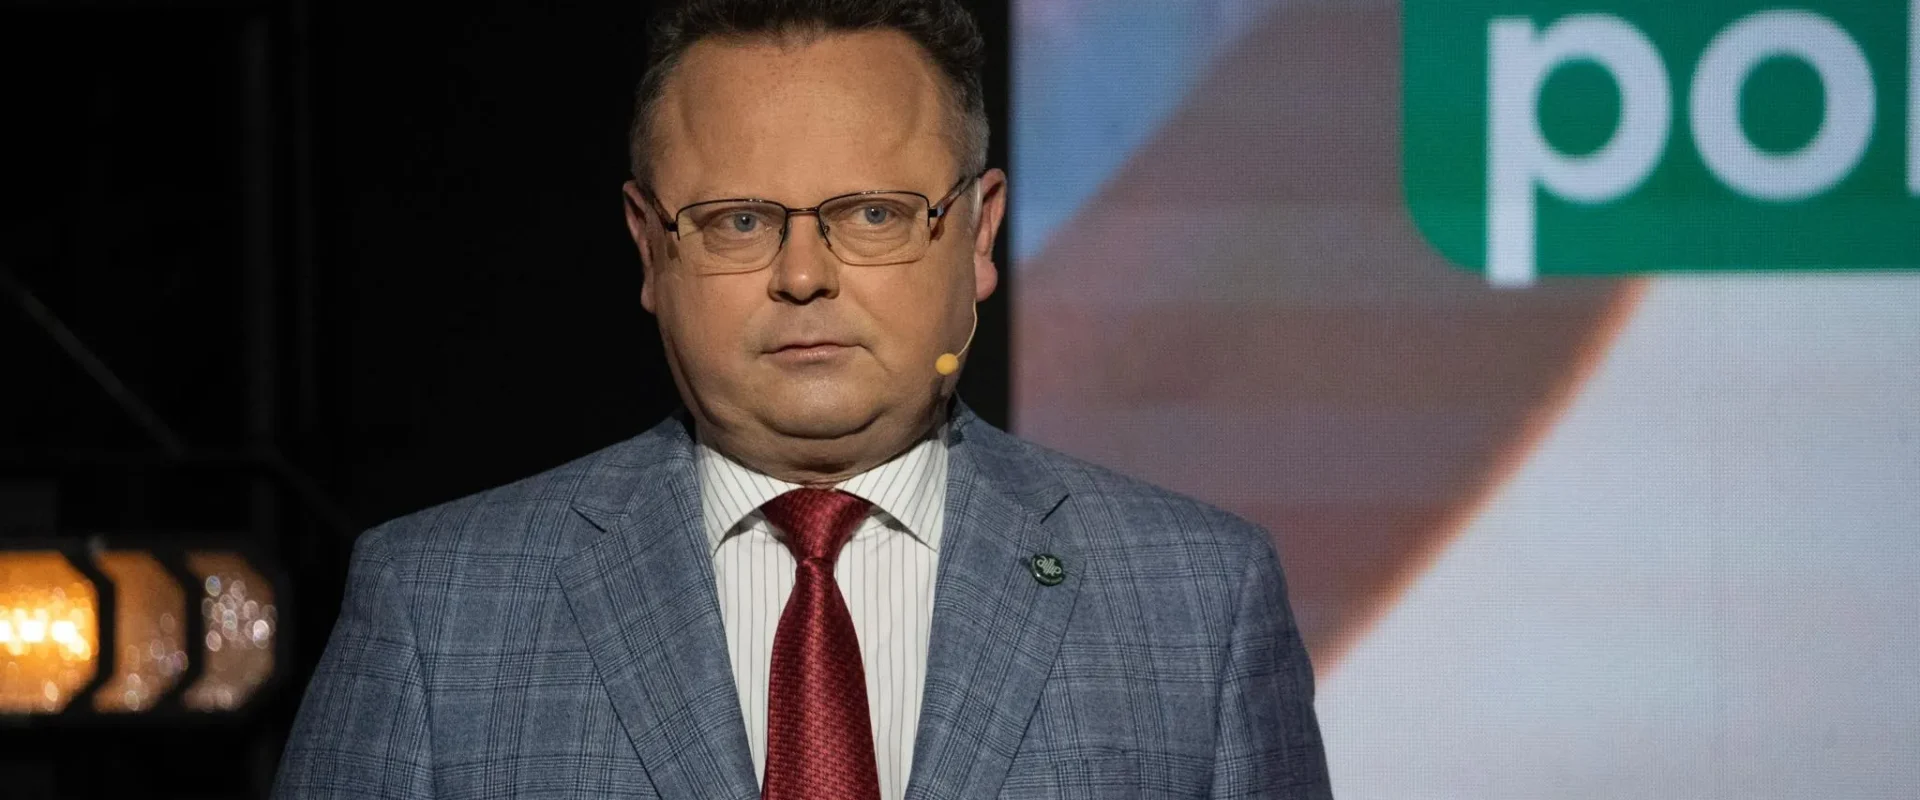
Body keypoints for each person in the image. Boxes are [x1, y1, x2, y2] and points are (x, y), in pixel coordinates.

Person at [272, 1, 1332, 797]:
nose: (804, 274)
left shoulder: (1197, 602)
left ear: (977, 235)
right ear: (648, 247)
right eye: (739, 220)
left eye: (872, 213)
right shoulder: (440, 610)